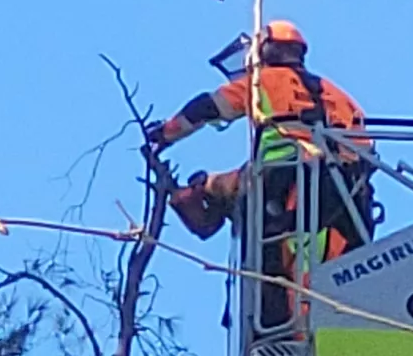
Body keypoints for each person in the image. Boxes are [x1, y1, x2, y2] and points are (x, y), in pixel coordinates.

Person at [147, 21, 372, 327]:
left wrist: (165, 134)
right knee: (335, 268)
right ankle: (321, 332)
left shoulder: (262, 83)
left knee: (275, 262)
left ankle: (279, 334)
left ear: (263, 50)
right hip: (349, 192)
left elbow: (207, 107)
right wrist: (212, 183)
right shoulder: (337, 93)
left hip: (289, 183)